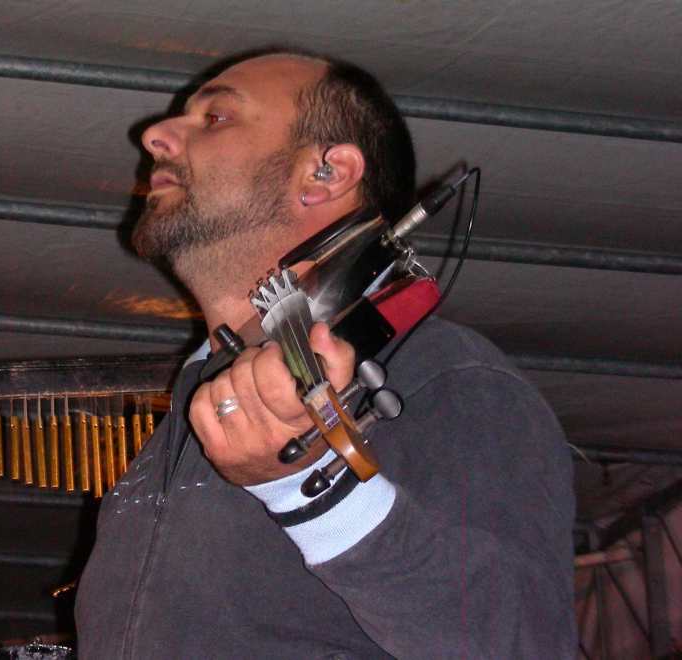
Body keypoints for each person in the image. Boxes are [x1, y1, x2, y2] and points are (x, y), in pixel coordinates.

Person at [75, 49, 576, 658]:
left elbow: (522, 644)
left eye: (216, 118)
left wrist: (307, 487)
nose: (154, 135)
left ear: (328, 173)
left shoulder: (447, 373)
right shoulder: (186, 408)